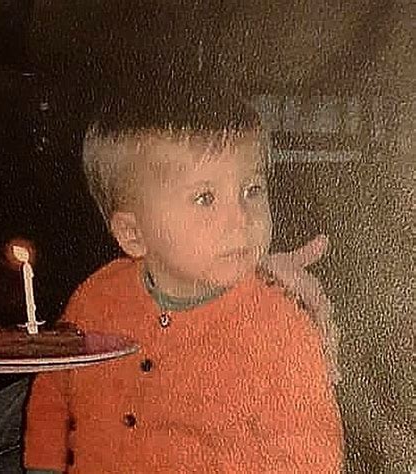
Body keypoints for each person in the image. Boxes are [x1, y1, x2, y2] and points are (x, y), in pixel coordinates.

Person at [23, 91, 343, 473]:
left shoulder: (281, 331)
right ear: (133, 234)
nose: (241, 219)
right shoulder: (96, 296)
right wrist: (42, 465)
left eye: (252, 190)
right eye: (205, 198)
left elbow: (311, 457)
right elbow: (53, 391)